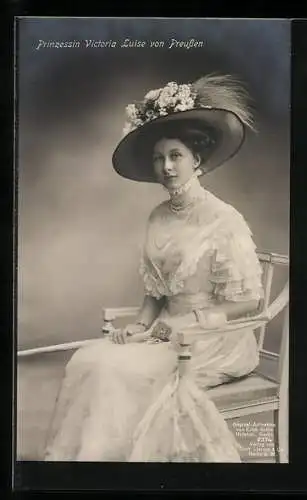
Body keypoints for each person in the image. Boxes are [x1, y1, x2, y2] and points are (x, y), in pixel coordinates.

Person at [44, 75, 264, 462]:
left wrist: (191, 322)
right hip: (164, 335)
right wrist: (140, 325)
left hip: (215, 338)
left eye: (175, 156)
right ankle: (88, 466)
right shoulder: (157, 217)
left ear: (197, 159)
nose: (166, 167)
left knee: (121, 373)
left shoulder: (224, 220)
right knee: (90, 360)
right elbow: (155, 294)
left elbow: (249, 302)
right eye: (158, 158)